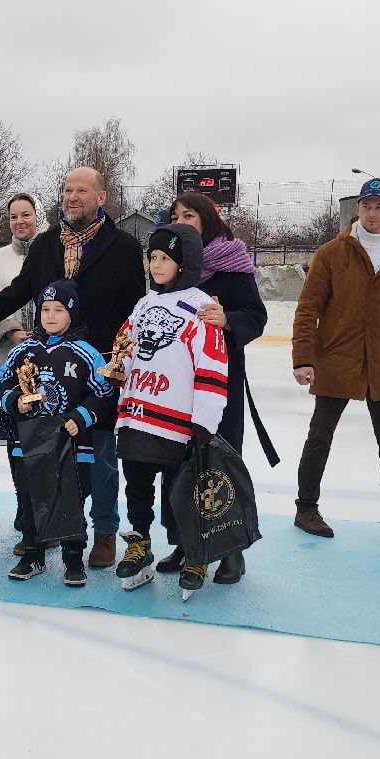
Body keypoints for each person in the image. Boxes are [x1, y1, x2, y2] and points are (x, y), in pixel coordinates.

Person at [0, 167, 148, 570]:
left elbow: (134, 307)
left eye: (81, 190)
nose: (72, 196)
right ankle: (47, 528)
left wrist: (122, 359)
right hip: (48, 371)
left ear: (101, 198)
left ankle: (104, 530)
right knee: (49, 454)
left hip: (96, 371)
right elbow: (17, 293)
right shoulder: (44, 245)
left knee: (101, 455)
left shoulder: (125, 247)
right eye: (66, 190)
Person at [290, 177, 380, 544]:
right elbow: (308, 308)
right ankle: (305, 508)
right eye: (366, 206)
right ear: (358, 209)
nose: (372, 213)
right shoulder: (332, 253)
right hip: (336, 356)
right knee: (319, 436)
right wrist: (303, 358)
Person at [113, 223, 229, 600]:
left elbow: (212, 367)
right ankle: (140, 542)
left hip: (178, 422)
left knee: (185, 492)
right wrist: (117, 369)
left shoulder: (201, 307)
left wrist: (205, 421)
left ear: (186, 263)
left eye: (166, 258)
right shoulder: (143, 305)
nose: (156, 264)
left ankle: (195, 553)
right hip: (136, 415)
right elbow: (124, 348)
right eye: (153, 257)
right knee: (138, 487)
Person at [167, 191, 269, 583]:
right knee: (178, 461)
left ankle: (231, 551)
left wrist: (228, 321)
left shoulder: (232, 263)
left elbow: (256, 316)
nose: (180, 220)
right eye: (175, 215)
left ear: (208, 220)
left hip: (220, 380)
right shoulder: (171, 266)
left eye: (188, 215)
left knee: (220, 461)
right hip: (177, 382)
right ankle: (185, 544)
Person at [0, 279, 112, 587]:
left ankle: (73, 559)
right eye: (46, 309)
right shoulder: (24, 351)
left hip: (72, 443)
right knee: (31, 497)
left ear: (71, 313)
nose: (50, 316)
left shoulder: (85, 353)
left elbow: (104, 391)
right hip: (30, 441)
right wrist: (14, 401)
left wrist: (80, 417)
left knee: (70, 499)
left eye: (58, 310)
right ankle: (32, 554)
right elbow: (0, 385)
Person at [0, 192, 46, 557]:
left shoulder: (52, 249)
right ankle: (26, 516)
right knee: (18, 450)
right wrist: (10, 332)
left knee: (45, 447)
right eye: (13, 216)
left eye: (26, 214)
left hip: (47, 365)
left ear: (38, 216)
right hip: (10, 365)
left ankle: (45, 517)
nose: (20, 221)